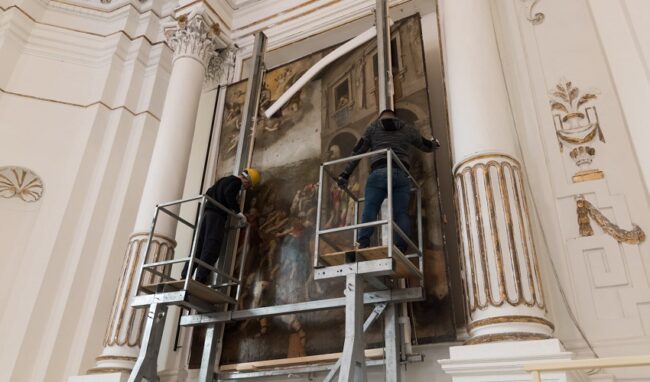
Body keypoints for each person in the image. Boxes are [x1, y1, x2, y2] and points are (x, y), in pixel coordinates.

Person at [337, 109, 439, 252]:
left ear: (380, 117)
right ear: (394, 116)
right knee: (401, 213)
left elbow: (358, 151)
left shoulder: (372, 128)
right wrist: (435, 144)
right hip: (401, 175)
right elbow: (426, 145)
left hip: (379, 173)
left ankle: (363, 243)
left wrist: (345, 174)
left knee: (370, 208)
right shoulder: (407, 129)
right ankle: (401, 248)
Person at [182, 168, 261, 284]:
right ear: (247, 181)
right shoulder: (236, 182)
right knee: (211, 245)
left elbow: (209, 192)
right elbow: (228, 194)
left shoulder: (224, 179)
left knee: (199, 246)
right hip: (216, 217)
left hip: (207, 214)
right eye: (248, 186)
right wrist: (239, 213)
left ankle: (185, 275)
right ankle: (201, 277)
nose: (246, 188)